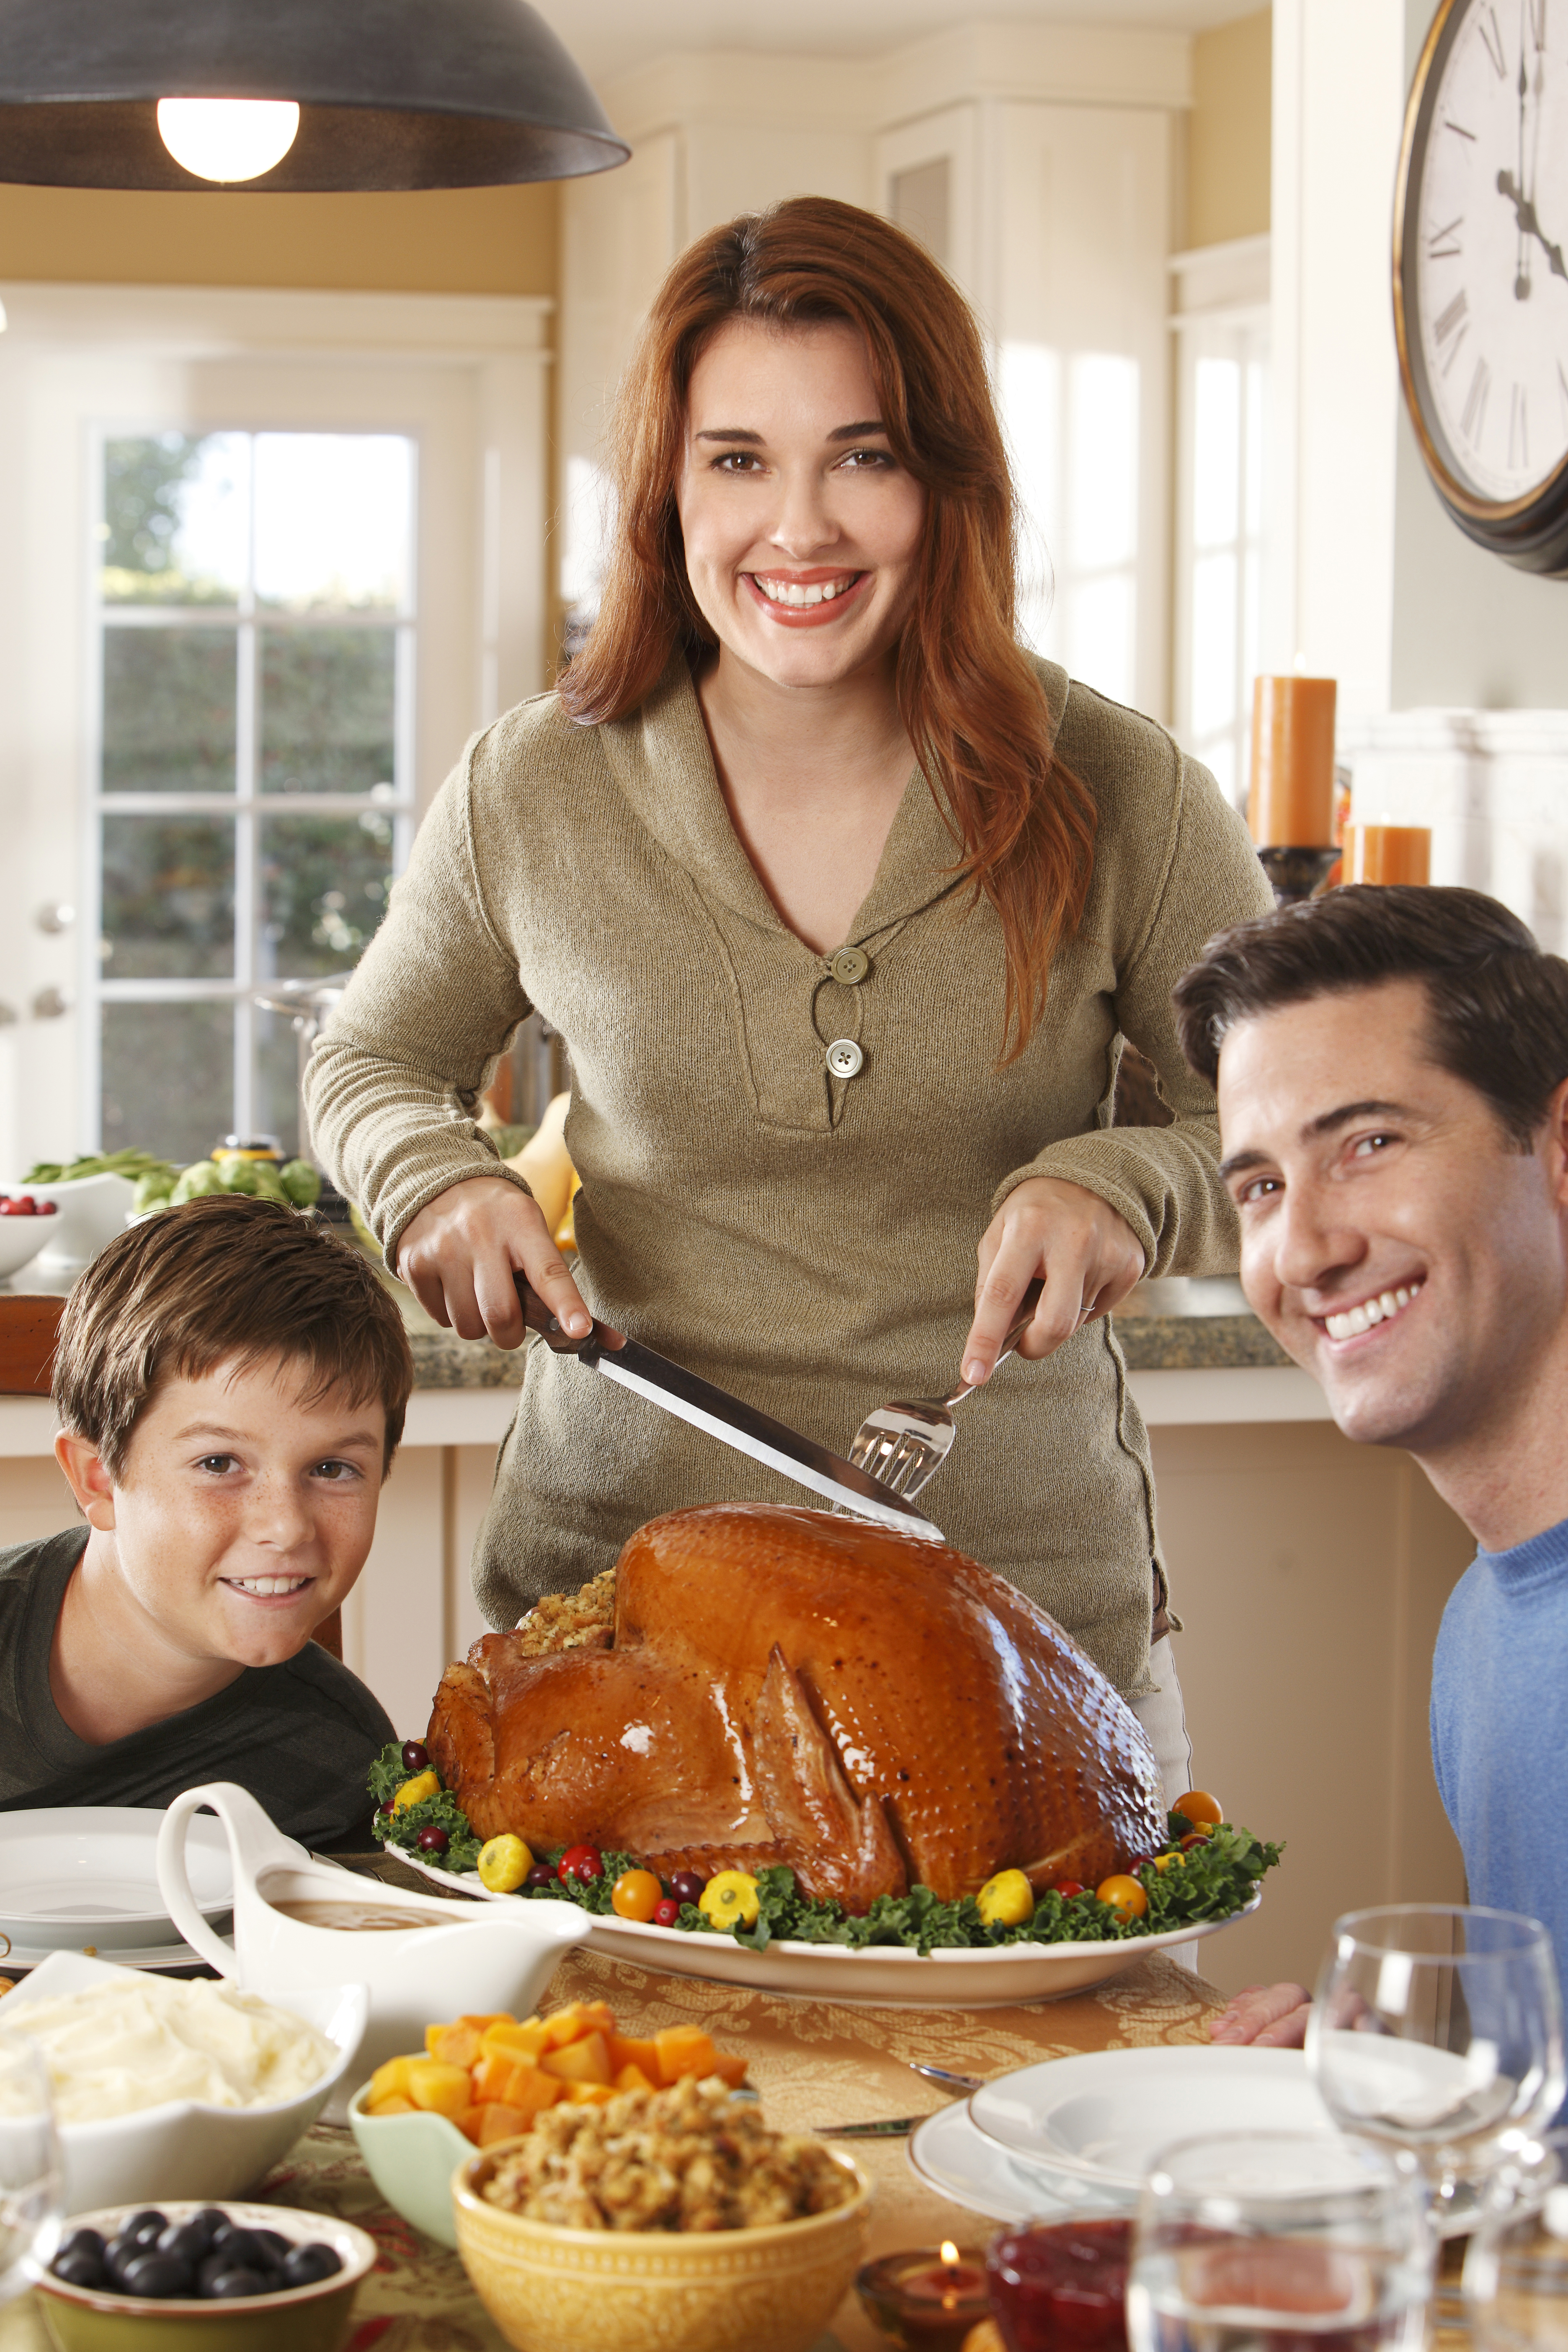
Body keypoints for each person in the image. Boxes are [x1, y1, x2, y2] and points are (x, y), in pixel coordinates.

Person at [304, 195, 1272, 1792]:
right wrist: (431, 1177)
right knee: (610, 2062)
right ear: (667, 488)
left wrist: (1124, 1183)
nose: (798, 528)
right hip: (616, 1642)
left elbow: (1269, 1137)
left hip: (1031, 1643)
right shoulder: (534, 786)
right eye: (738, 458)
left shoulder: (1122, 785)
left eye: (864, 455)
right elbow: (372, 1057)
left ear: (946, 483)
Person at [1168, 884, 1568, 2043]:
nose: (1306, 1249)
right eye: (1262, 1187)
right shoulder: (1486, 1626)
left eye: (1370, 1144)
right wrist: (1381, 2105)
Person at [0, 1192, 415, 1851]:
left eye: (333, 1469)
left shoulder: (339, 1763)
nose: (286, 1528)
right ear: (97, 1478)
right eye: (220, 1462)